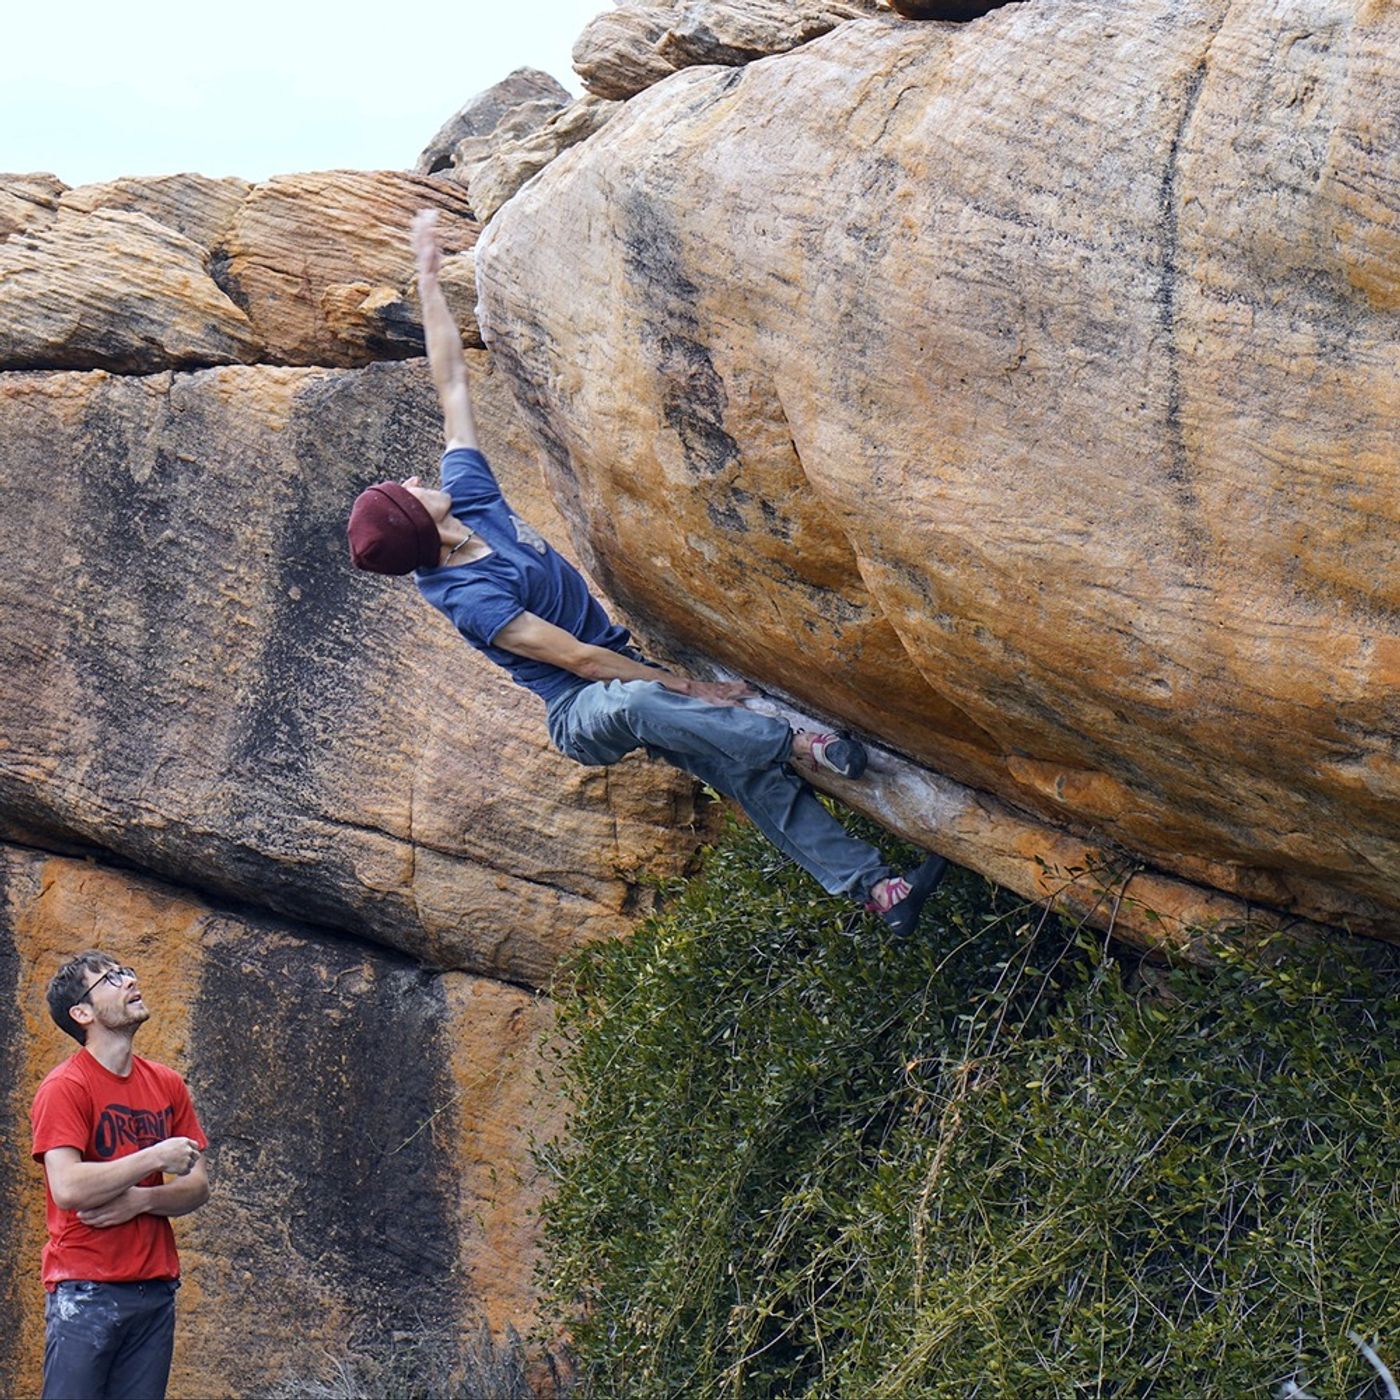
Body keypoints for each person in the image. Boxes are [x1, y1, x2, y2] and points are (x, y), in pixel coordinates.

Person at [346, 210, 946, 935]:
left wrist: (428, 278)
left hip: (626, 670)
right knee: (633, 702)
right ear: (419, 524)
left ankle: (881, 893)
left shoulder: (467, 498)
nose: (416, 476)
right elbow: (576, 660)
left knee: (742, 778)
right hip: (582, 708)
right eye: (406, 491)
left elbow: (452, 389)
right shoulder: (468, 595)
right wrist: (697, 689)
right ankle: (795, 746)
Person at [30, 952, 210, 1400]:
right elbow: (68, 1186)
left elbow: (198, 1185)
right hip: (86, 1289)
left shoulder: (167, 1083)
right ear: (82, 1013)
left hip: (155, 1290)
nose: (130, 981)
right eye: (111, 979)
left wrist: (142, 1201)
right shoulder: (65, 1087)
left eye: (128, 972)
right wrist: (152, 1159)